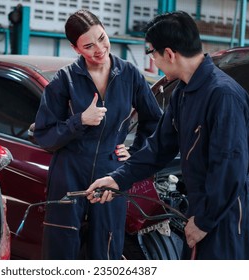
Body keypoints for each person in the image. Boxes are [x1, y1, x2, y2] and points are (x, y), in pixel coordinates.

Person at [87, 11, 249, 260]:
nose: (153, 60)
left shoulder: (223, 96)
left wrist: (205, 221)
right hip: (200, 210)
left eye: (151, 53)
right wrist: (117, 179)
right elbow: (159, 147)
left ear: (169, 53)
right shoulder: (184, 93)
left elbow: (230, 167)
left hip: (228, 216)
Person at [33, 9, 162, 260]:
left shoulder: (129, 75)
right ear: (75, 48)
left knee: (106, 245)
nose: (100, 49)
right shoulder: (65, 80)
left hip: (111, 172)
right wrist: (79, 120)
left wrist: (135, 152)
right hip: (68, 172)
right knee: (62, 247)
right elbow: (44, 134)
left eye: (102, 38)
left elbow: (154, 120)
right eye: (89, 45)